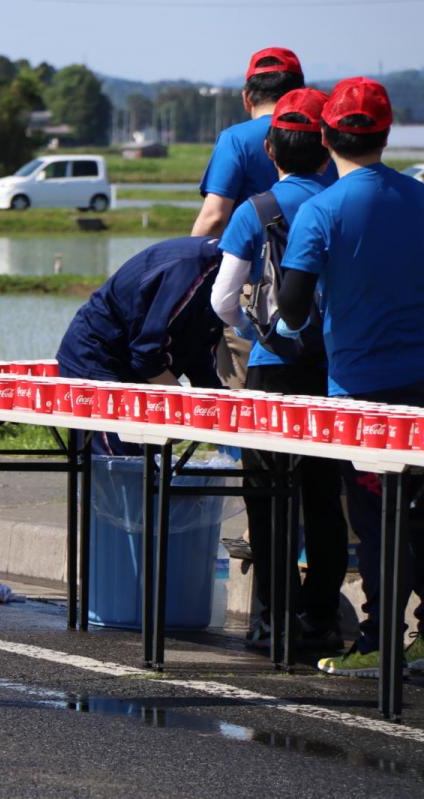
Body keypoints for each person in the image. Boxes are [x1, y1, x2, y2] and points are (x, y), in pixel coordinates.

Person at [276, 77, 424, 677]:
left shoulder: (322, 210)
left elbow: (290, 307)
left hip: (360, 390)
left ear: (327, 135)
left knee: (374, 521)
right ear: (386, 134)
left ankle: (380, 639)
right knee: (422, 512)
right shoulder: (419, 198)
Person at [210, 88, 346, 653]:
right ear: (326, 150)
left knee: (267, 496)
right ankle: (321, 619)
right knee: (324, 494)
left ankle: (274, 624)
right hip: (335, 369)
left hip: (270, 370)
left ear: (270, 151)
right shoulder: (344, 201)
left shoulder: (257, 209)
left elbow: (221, 298)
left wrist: (253, 329)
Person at [192, 47, 312, 390]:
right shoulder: (322, 139)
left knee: (248, 403)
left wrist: (187, 273)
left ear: (247, 98)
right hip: (319, 294)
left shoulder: (236, 139)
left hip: (253, 290)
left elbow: (214, 217)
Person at [56, 236, 224, 455]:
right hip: (98, 357)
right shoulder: (195, 268)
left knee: (148, 466)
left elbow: (200, 355)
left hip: (138, 369)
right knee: (118, 461)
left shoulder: (222, 283)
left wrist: (219, 406)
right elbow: (146, 356)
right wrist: (182, 406)